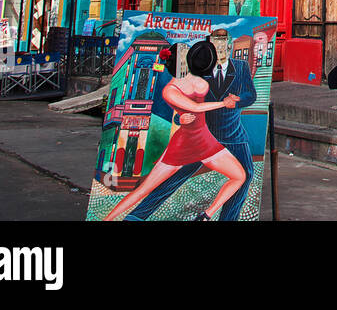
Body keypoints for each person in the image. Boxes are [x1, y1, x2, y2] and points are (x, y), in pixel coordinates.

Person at [103, 40, 245, 221]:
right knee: (144, 189)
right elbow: (195, 107)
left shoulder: (198, 78)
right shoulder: (170, 90)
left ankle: (206, 216)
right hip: (183, 144)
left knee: (239, 176)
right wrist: (222, 103)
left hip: (204, 139)